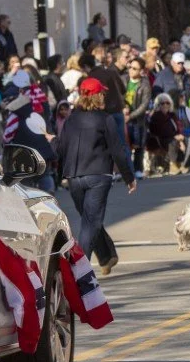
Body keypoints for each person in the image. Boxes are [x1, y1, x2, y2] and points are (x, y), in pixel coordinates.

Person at [55, 78, 136, 275]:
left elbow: (61, 149)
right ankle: (79, 269)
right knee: (91, 223)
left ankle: (107, 255)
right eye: (102, 94)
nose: (104, 97)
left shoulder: (71, 120)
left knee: (89, 220)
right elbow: (117, 150)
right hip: (98, 175)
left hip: (74, 176)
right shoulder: (105, 119)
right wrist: (129, 177)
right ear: (97, 96)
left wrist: (59, 177)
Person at [124, 57, 152, 179]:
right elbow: (118, 96)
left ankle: (138, 169)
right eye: (130, 67)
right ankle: (126, 170)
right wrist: (123, 108)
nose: (131, 70)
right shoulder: (123, 80)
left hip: (137, 120)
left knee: (138, 145)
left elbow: (144, 105)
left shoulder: (145, 84)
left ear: (141, 70)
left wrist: (131, 116)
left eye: (134, 68)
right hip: (123, 116)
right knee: (125, 145)